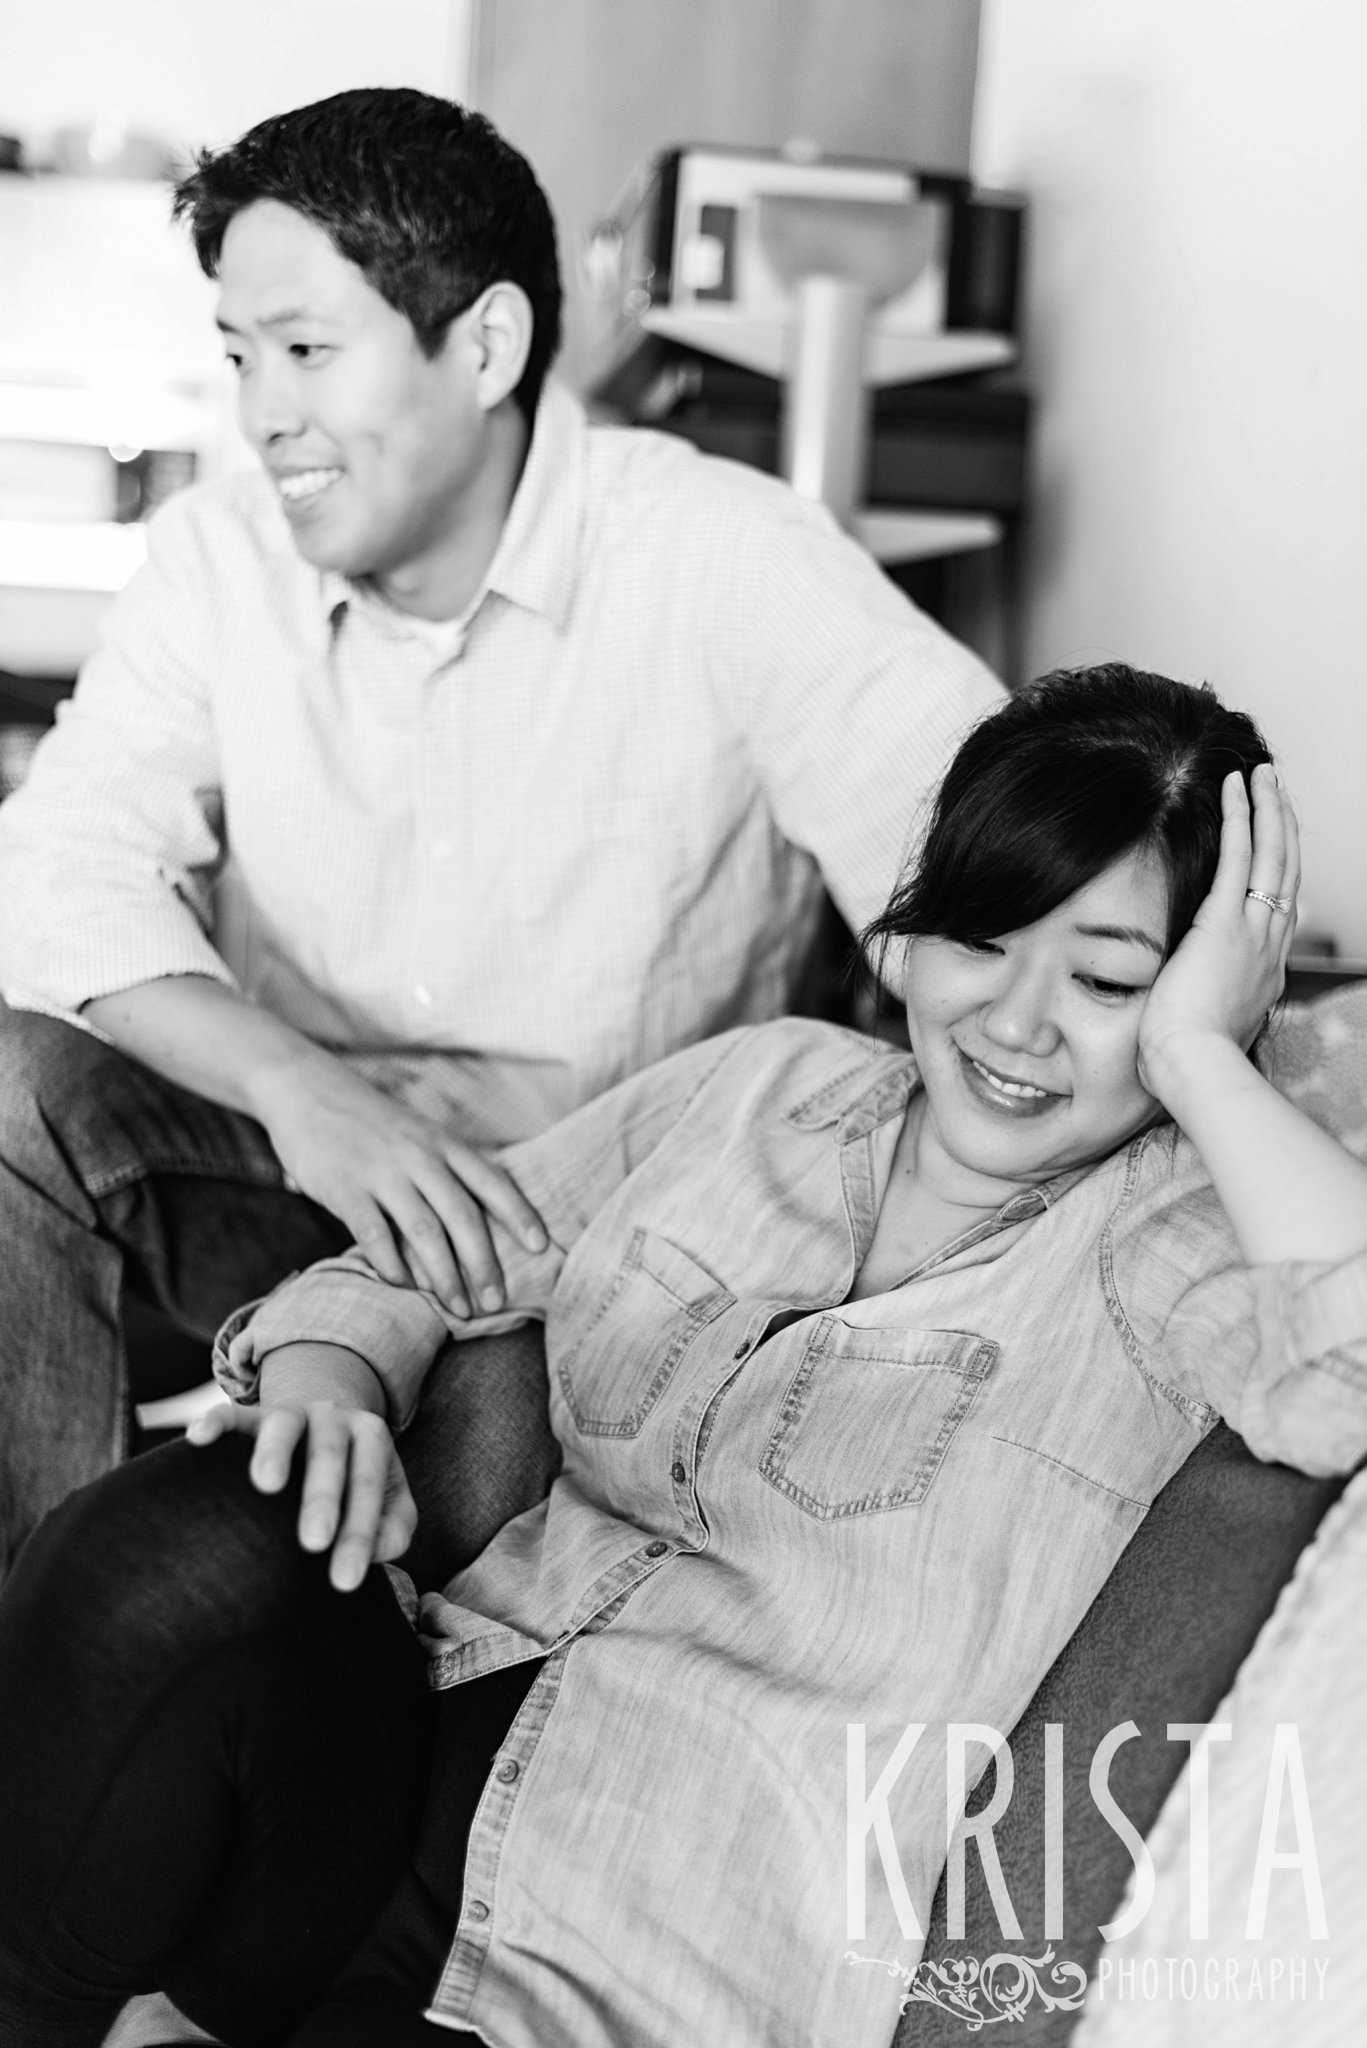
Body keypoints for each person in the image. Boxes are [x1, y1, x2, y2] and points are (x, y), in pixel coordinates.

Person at [4, 664, 1364, 2048]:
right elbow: (422, 1259)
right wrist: (330, 1385)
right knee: (174, 1547)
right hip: (383, 1780)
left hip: (628, 1970)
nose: (1015, 1023)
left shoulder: (1177, 1235)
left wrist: (1203, 1057)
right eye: (982, 938)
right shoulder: (758, 1087)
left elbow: (1353, 1369)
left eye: (1108, 979)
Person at [0, 87, 1002, 1579]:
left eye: (307, 352)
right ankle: (39, 1625)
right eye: (240, 358)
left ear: (483, 347)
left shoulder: (721, 555)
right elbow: (56, 871)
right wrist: (298, 1093)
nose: (263, 413)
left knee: (433, 1505)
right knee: (14, 1083)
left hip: (579, 1235)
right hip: (297, 1161)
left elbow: (983, 849)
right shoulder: (216, 560)